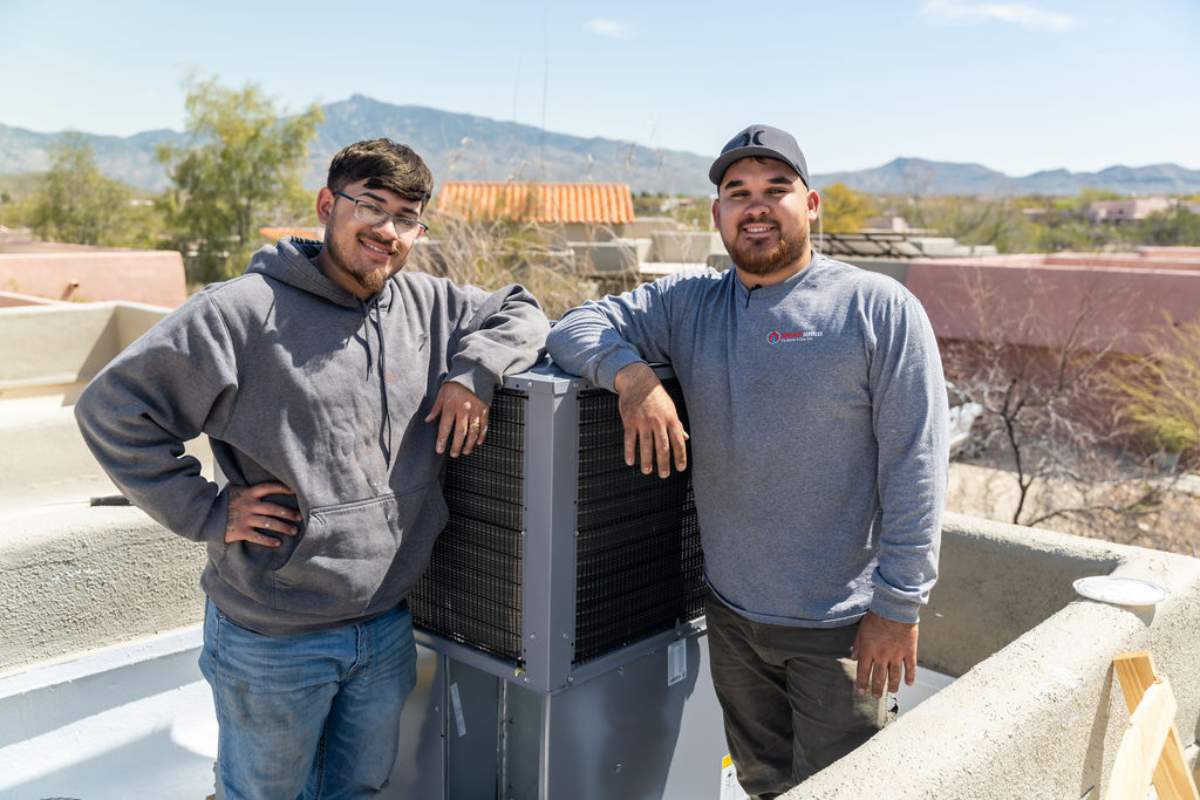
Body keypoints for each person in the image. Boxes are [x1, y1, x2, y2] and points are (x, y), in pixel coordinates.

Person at [75, 138, 549, 800]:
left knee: (356, 791)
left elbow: (523, 307)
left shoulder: (427, 304)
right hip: (273, 638)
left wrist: (473, 374)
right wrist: (210, 511)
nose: (389, 231)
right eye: (372, 206)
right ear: (328, 205)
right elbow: (112, 409)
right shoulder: (240, 313)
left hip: (385, 624)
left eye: (408, 216)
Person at [546, 124, 948, 798]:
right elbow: (571, 326)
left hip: (842, 628)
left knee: (847, 788)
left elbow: (918, 461)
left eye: (775, 189)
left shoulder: (877, 307)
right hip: (732, 618)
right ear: (717, 214)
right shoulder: (688, 304)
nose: (756, 206)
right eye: (738, 192)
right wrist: (634, 379)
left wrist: (900, 606)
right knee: (762, 783)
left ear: (811, 204)